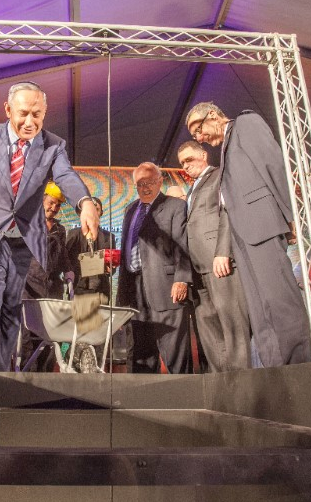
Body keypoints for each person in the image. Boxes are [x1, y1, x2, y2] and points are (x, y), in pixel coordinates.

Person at [0, 81, 99, 372]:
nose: (30, 122)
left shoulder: (53, 145)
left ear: (45, 112)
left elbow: (66, 175)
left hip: (23, 242)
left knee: (10, 312)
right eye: (23, 113)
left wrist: (85, 202)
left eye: (37, 115)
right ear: (8, 109)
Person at [186, 102, 311, 366]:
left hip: (263, 226)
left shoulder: (247, 124)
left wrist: (292, 215)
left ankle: (300, 365)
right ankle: (275, 368)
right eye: (194, 134)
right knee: (260, 311)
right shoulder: (225, 148)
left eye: (198, 129)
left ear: (213, 114)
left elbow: (274, 166)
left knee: (280, 301)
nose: (199, 138)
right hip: (242, 237)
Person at [178, 140, 250, 371]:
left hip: (220, 264)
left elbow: (228, 213)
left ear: (203, 155)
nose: (186, 166)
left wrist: (223, 251)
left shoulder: (220, 175)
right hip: (198, 270)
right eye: (182, 163)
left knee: (233, 327)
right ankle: (223, 384)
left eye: (189, 159)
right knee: (209, 330)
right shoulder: (192, 189)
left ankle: (245, 384)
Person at [117, 162, 193, 374]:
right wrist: (122, 299)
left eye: (150, 182)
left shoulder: (175, 207)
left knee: (175, 355)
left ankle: (185, 401)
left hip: (166, 288)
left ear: (160, 181)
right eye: (140, 183)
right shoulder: (130, 210)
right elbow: (125, 254)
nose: (145, 187)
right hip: (135, 294)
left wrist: (182, 279)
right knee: (140, 356)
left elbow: (182, 244)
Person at [19, 182, 74, 371]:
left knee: (50, 335)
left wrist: (68, 270)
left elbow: (64, 255)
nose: (54, 208)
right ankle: (29, 376)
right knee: (28, 334)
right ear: (42, 200)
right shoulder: (29, 224)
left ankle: (46, 375)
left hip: (52, 289)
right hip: (29, 285)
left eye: (58, 205)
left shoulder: (60, 229)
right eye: (51, 203)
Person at [66, 196, 116, 301]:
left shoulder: (109, 237)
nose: (93, 213)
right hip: (78, 288)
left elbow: (112, 269)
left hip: (101, 291)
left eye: (96, 209)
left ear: (101, 213)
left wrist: (110, 269)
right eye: (91, 209)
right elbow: (65, 261)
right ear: (82, 213)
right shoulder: (73, 234)